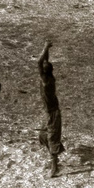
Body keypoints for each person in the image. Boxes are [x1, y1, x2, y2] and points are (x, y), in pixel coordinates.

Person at [37, 43, 64, 177]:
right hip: (48, 113)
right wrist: (47, 49)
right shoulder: (49, 77)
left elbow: (39, 62)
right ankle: (55, 158)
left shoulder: (46, 82)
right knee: (42, 136)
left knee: (52, 140)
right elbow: (44, 62)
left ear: (44, 73)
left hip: (53, 114)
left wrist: (45, 47)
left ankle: (55, 167)